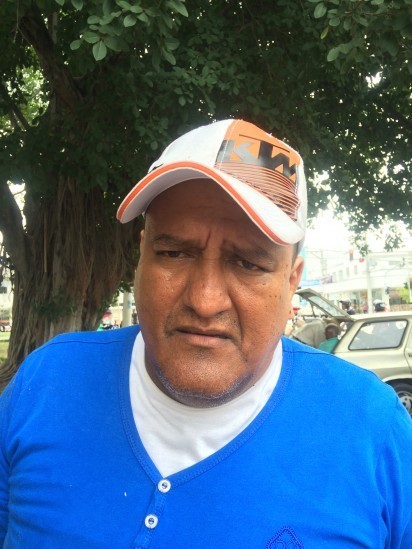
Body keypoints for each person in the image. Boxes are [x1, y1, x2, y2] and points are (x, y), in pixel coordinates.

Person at [0, 119, 411, 548]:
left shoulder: (371, 428)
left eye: (248, 263)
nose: (205, 300)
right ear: (141, 256)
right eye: (174, 253)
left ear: (292, 280)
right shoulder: (47, 383)